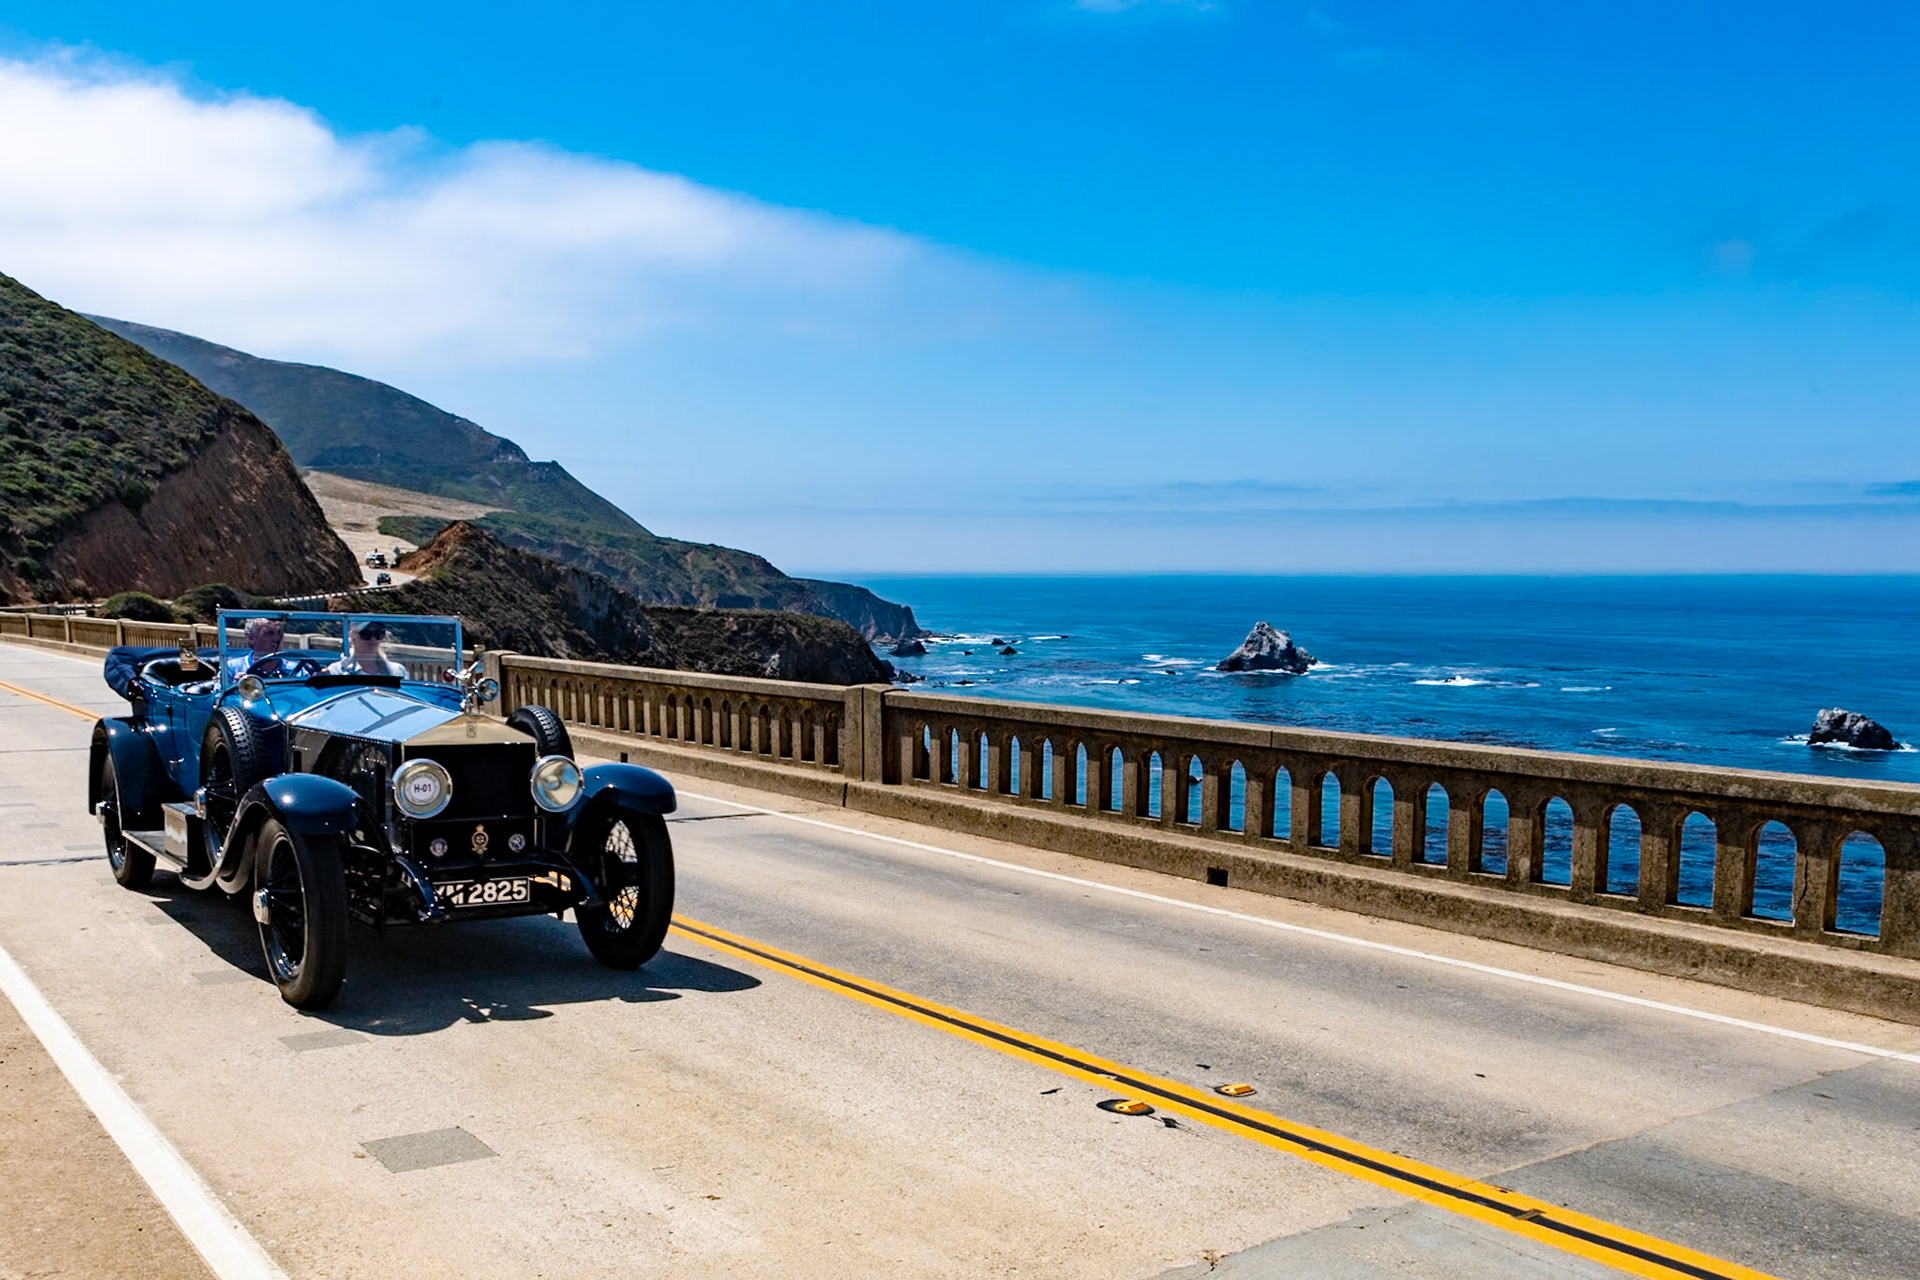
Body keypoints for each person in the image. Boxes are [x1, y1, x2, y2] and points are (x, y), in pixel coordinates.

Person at [327, 619, 407, 678]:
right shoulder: (337, 671)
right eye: (366, 634)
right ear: (353, 636)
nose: (373, 639)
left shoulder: (397, 671)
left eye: (378, 634)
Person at [225, 616, 286, 681]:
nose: (277, 639)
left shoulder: (292, 670)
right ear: (251, 638)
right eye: (269, 633)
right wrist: (236, 685)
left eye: (279, 633)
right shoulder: (232, 668)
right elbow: (219, 687)